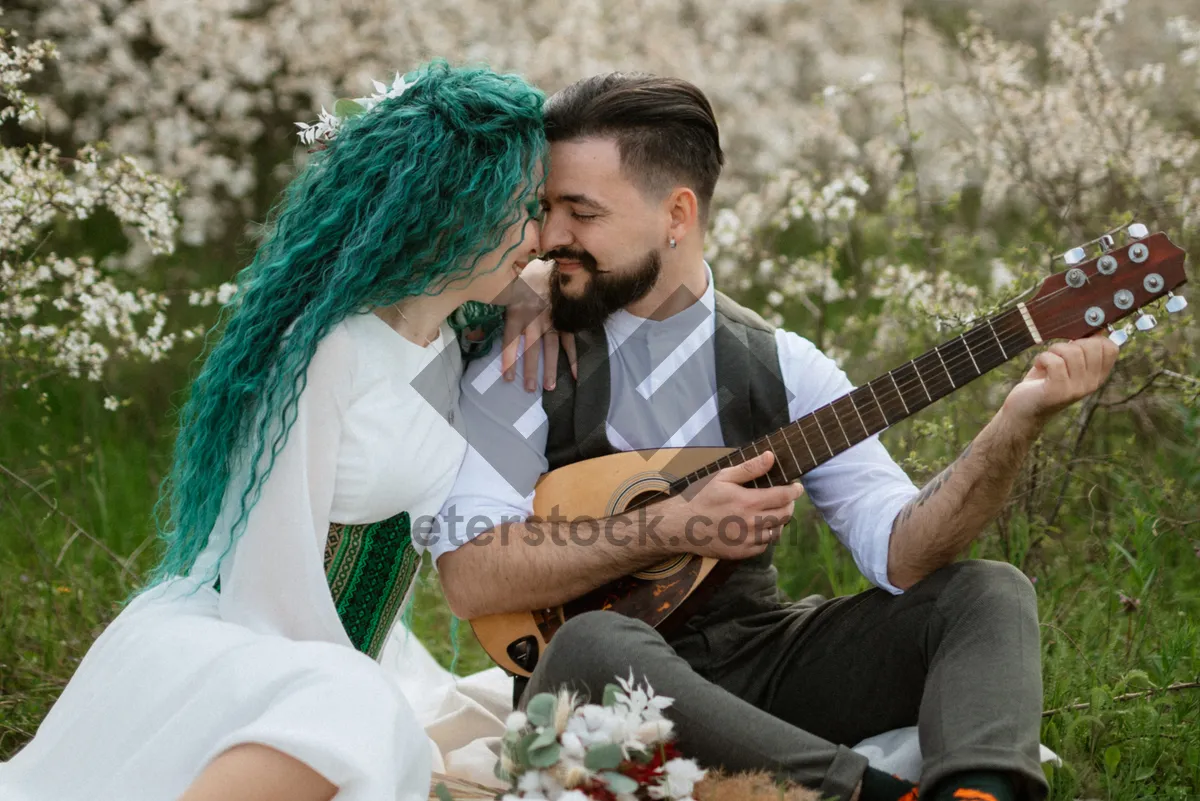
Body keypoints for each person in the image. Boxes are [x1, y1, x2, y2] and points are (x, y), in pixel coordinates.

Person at [430, 73, 1119, 801]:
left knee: (985, 591)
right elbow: (471, 575)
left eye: (582, 211)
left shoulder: (784, 365)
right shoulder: (526, 356)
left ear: (677, 213)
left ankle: (981, 792)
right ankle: (876, 794)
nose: (552, 237)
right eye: (547, 208)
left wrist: (1015, 423)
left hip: (760, 664)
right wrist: (665, 525)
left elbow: (902, 554)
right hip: (602, 690)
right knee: (592, 645)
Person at [0, 61, 550, 801]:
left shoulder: (453, 338)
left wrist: (526, 296)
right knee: (363, 721)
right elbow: (273, 574)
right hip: (259, 636)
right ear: (455, 210)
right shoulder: (328, 349)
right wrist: (360, 688)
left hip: (368, 653)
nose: (538, 233)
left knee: (544, 710)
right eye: (523, 208)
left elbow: (557, 285)